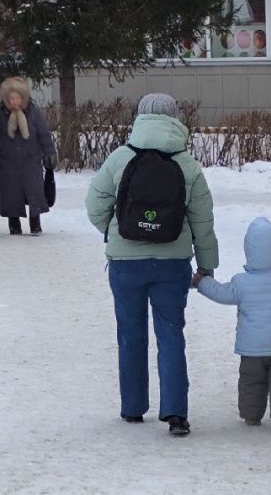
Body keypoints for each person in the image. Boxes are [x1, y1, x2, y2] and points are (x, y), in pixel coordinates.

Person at [84, 93, 218, 436]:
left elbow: (94, 203)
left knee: (129, 333)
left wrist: (114, 232)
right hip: (173, 263)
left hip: (125, 263)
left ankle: (132, 407)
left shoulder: (120, 158)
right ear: (175, 119)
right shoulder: (187, 164)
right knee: (171, 333)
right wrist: (206, 266)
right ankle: (175, 412)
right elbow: (202, 221)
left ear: (140, 118)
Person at [194, 217, 271, 431]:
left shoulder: (241, 282)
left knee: (251, 381)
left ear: (249, 250)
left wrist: (202, 282)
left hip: (252, 348)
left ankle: (251, 415)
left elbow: (221, 293)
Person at [0, 77, 57, 235]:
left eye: (18, 98)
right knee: (11, 194)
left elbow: (44, 134)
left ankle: (35, 223)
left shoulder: (33, 111)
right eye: (11, 98)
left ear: (23, 98)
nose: (15, 102)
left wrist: (50, 153)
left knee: (34, 192)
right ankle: (14, 224)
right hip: (9, 161)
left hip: (31, 160)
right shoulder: (1, 114)